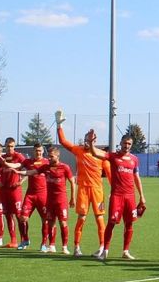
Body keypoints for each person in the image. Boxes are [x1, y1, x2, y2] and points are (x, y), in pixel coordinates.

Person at [85, 130, 145, 261]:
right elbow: (95, 153)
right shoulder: (112, 156)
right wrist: (90, 142)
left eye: (129, 144)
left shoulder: (134, 159)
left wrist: (142, 196)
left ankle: (125, 251)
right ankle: (105, 251)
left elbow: (137, 178)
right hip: (117, 196)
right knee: (111, 223)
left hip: (130, 196)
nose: (127, 146)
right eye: (125, 143)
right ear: (120, 143)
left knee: (129, 224)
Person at [56, 112, 108, 257]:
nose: (87, 142)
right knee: (82, 218)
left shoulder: (101, 154)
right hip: (83, 190)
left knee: (99, 219)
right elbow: (63, 141)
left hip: (98, 191)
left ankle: (102, 247)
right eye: (86, 139)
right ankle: (77, 247)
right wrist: (59, 125)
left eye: (90, 140)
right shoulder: (79, 150)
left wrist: (113, 188)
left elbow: (109, 173)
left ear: (94, 141)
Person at [25, 145, 76, 254]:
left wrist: (73, 198)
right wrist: (20, 172)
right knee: (51, 222)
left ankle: (64, 247)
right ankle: (51, 245)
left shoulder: (65, 167)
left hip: (61, 200)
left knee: (63, 223)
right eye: (48, 156)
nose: (48, 158)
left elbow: (72, 182)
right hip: (49, 200)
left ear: (57, 156)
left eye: (51, 156)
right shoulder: (45, 167)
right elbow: (33, 172)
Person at [15, 144, 52, 252]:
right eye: (36, 150)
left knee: (45, 220)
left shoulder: (47, 162)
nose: (38, 153)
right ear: (33, 151)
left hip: (43, 195)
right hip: (30, 195)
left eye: (40, 151)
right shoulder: (27, 162)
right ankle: (25, 240)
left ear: (42, 151)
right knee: (22, 218)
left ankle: (44, 244)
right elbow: (19, 167)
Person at [0, 137, 28, 248]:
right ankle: (13, 240)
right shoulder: (3, 158)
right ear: (5, 146)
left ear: (14, 146)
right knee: (7, 215)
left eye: (12, 146)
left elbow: (27, 169)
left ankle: (24, 240)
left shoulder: (18, 156)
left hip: (15, 191)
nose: (10, 148)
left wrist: (21, 181)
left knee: (19, 215)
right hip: (4, 190)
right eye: (8, 146)